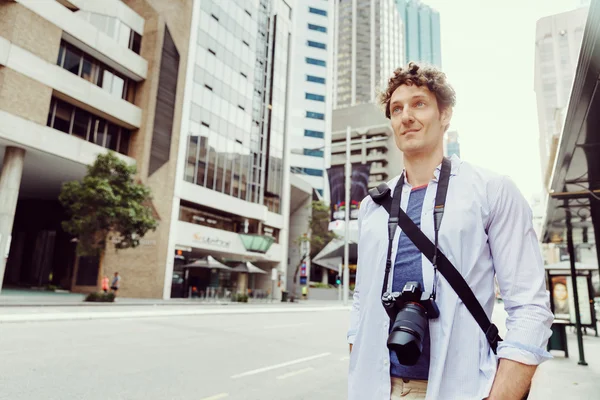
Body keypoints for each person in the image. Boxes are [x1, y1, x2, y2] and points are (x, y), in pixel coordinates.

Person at [347, 62, 554, 400]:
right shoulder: (372, 207)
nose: (406, 116)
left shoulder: (491, 190)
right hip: (376, 388)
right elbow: (361, 302)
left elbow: (530, 308)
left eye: (419, 104)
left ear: (445, 114)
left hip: (461, 388)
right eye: (396, 109)